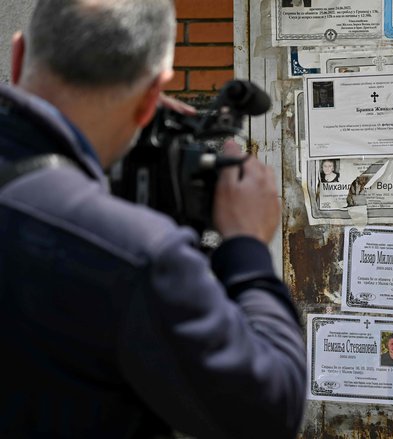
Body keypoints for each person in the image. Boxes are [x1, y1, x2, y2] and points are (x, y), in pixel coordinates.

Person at [0, 1, 305, 438]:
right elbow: (270, 411)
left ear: (18, 55)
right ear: (150, 98)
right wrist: (247, 246)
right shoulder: (137, 256)